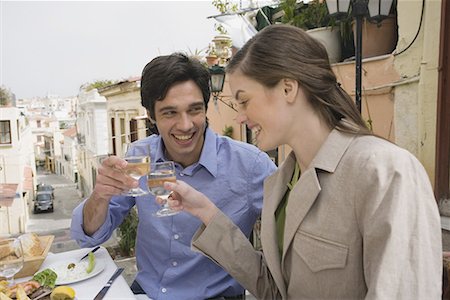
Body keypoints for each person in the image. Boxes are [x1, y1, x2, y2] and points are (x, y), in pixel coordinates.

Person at [162, 25, 443, 299]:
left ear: (287, 89)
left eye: (244, 101)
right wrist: (207, 213)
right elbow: (275, 290)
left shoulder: (384, 172)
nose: (240, 117)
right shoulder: (279, 185)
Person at [70, 53, 277, 299]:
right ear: (151, 115)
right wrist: (100, 195)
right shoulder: (139, 155)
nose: (186, 125)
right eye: (170, 113)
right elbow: (91, 236)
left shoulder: (250, 165)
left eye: (195, 110)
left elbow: (293, 242)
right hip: (145, 293)